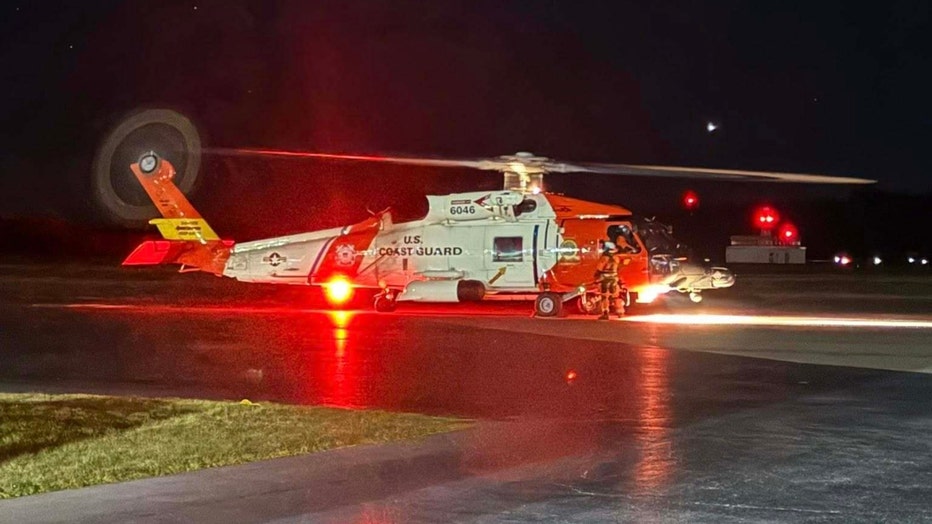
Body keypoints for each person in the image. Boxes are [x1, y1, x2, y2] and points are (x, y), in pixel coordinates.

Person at [594, 241, 624, 320]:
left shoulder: (604, 258)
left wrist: (596, 275)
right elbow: (619, 268)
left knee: (604, 297)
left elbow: (599, 268)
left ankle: (605, 313)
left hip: (605, 280)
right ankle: (620, 312)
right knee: (616, 296)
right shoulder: (616, 258)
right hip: (614, 279)